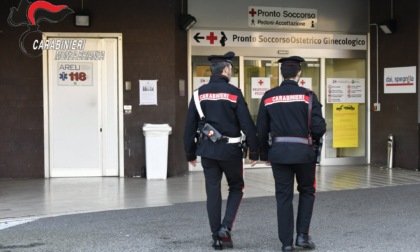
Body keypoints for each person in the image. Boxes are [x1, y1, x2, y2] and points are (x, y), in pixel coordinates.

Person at [183, 51, 259, 250]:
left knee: (213, 192)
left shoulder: (198, 94)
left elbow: (189, 127)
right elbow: (247, 124)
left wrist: (189, 154)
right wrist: (255, 151)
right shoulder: (234, 93)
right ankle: (226, 226)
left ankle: (216, 237)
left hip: (208, 151)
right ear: (225, 69)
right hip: (231, 151)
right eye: (231, 69)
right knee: (236, 187)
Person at [256, 56, 326, 252]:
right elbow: (319, 126)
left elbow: (261, 128)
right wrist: (312, 138)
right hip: (304, 153)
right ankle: (302, 236)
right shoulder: (308, 95)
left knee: (283, 196)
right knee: (307, 191)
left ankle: (286, 243)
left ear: (281, 74)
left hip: (279, 153)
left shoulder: (269, 96)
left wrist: (265, 154)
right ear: (299, 74)